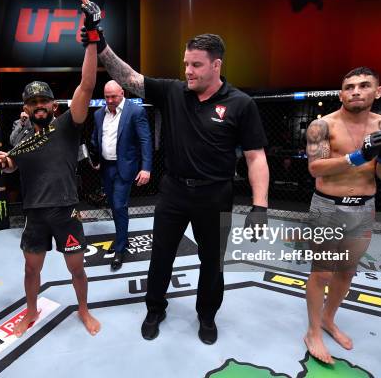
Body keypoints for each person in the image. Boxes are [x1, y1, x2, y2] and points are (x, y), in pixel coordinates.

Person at [82, 27, 270, 344]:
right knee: (161, 255)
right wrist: (100, 42)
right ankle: (155, 308)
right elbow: (129, 78)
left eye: (196, 64)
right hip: (174, 191)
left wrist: (260, 206)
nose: (188, 71)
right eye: (186, 63)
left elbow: (256, 157)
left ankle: (207, 315)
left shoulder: (240, 104)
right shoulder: (173, 92)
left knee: (212, 261)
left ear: (216, 65)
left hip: (215, 194)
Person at [0, 0, 101, 337]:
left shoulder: (68, 123)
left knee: (77, 270)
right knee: (30, 270)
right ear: (26, 107)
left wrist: (92, 35)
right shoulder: (21, 137)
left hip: (65, 211)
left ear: (53, 105)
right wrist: (7, 164)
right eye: (32, 102)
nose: (39, 105)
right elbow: (12, 168)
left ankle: (83, 310)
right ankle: (30, 312)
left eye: (43, 100)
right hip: (35, 213)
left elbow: (87, 85)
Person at [304, 67, 381, 364]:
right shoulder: (321, 126)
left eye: (364, 86)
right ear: (341, 94)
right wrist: (358, 156)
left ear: (378, 92)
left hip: (364, 207)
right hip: (327, 206)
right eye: (349, 87)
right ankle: (313, 331)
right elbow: (315, 168)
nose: (356, 91)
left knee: (347, 271)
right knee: (322, 272)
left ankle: (328, 318)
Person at [91, 80, 152, 270]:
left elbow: (145, 139)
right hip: (106, 167)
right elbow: (96, 137)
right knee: (114, 205)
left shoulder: (135, 111)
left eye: (113, 96)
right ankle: (122, 239)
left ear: (122, 93)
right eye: (106, 96)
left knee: (119, 205)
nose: (109, 100)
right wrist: (97, 157)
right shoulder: (99, 114)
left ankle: (119, 249)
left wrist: (146, 168)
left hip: (124, 167)